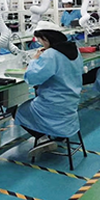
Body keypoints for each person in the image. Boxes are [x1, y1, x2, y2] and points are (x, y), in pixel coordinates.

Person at [14, 21, 83, 158]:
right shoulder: (74, 50)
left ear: (46, 38)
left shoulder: (51, 54)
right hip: (71, 103)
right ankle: (59, 135)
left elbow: (33, 78)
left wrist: (35, 60)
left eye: (40, 40)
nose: (40, 44)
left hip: (53, 105)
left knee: (17, 110)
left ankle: (42, 138)